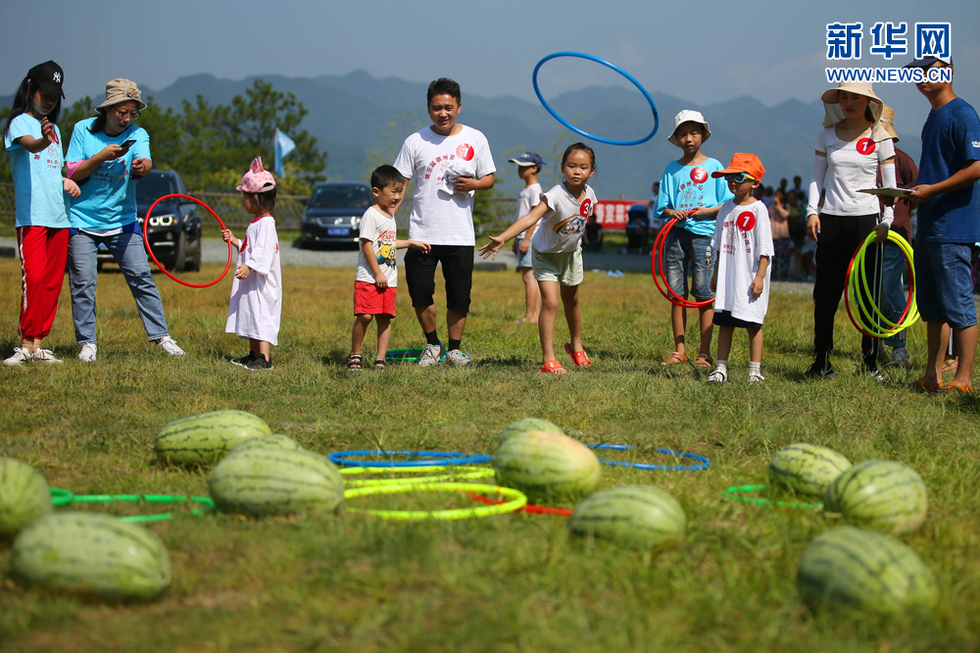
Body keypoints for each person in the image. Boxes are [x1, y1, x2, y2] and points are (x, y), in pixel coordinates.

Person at [65, 78, 185, 362]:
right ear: (107, 109)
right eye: (122, 112)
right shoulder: (83, 130)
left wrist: (142, 166)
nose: (127, 118)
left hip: (123, 220)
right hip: (81, 221)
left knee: (142, 277)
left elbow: (146, 162)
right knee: (83, 283)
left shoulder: (138, 133)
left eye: (133, 113)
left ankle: (162, 337)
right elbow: (72, 173)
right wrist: (102, 156)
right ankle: (87, 343)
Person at [393, 78, 496, 367]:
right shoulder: (415, 141)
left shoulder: (476, 138)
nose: (443, 113)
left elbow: (489, 178)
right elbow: (399, 184)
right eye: (437, 108)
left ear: (459, 107)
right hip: (421, 232)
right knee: (420, 291)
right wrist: (385, 217)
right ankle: (432, 345)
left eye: (448, 107)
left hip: (460, 234)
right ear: (428, 108)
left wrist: (473, 183)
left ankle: (454, 350)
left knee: (459, 296)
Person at [479, 143, 597, 375]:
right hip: (545, 255)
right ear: (563, 167)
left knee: (572, 300)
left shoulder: (591, 195)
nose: (576, 171)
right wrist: (503, 237)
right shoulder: (554, 194)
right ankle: (548, 359)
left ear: (591, 171)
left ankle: (576, 344)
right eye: (571, 166)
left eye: (583, 167)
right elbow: (530, 218)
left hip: (571, 255)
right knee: (551, 303)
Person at [804, 81, 896, 380]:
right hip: (830, 220)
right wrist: (811, 211)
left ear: (868, 101)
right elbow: (818, 178)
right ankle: (822, 361)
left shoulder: (880, 137)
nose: (849, 102)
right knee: (826, 294)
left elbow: (891, 187)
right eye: (844, 97)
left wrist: (888, 220)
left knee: (868, 295)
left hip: (867, 222)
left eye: (856, 97)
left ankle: (870, 363)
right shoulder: (826, 134)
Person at [904, 55, 980, 394]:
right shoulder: (933, 116)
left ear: (947, 72)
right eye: (916, 73)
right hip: (930, 222)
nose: (920, 78)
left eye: (928, 71)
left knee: (959, 304)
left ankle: (963, 379)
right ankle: (932, 376)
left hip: (954, 225)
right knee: (932, 307)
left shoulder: (963, 114)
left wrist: (932, 189)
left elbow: (976, 167)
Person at [3, 61, 80, 366]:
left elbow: (51, 169)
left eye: (54, 95)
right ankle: (24, 343)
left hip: (58, 217)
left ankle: (37, 345)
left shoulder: (57, 130)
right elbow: (33, 147)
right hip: (32, 216)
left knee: (51, 282)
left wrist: (66, 181)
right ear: (29, 89)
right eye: (44, 92)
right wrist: (44, 140)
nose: (49, 100)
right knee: (33, 277)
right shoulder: (19, 124)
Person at [653, 110, 733, 369]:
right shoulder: (671, 169)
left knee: (703, 293)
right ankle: (679, 350)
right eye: (683, 134)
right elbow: (661, 207)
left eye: (694, 132)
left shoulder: (715, 166)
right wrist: (672, 212)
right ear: (676, 138)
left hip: (704, 235)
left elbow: (725, 203)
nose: (689, 138)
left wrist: (704, 211)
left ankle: (705, 352)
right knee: (677, 293)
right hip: (675, 234)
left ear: (703, 136)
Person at [347, 165, 430, 371]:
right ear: (376, 191)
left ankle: (380, 359)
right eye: (393, 191)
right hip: (369, 277)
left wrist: (411, 243)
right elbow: (367, 244)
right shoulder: (371, 215)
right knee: (365, 316)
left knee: (384, 319)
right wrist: (377, 272)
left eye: (400, 192)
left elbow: (388, 243)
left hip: (388, 279)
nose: (397, 197)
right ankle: (355, 354)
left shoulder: (389, 216)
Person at [707, 153, 773, 384]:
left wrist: (760, 276)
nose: (732, 181)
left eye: (738, 176)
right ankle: (720, 368)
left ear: (754, 182)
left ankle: (754, 371)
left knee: (753, 324)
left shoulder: (759, 210)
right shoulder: (726, 208)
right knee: (725, 324)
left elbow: (765, 249)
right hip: (727, 278)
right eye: (729, 177)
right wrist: (715, 273)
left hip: (749, 278)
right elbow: (718, 244)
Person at [221, 157, 282, 371]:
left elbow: (263, 252)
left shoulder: (266, 224)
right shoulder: (256, 224)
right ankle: (254, 354)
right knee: (251, 315)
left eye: (245, 197)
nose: (243, 202)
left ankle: (264, 359)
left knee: (261, 316)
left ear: (257, 200)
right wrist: (235, 240)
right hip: (252, 282)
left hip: (262, 284)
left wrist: (250, 266)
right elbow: (250, 247)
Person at [874, 106, 918, 368]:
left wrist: (898, 213)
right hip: (868, 231)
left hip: (895, 233)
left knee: (889, 286)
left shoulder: (901, 159)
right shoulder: (867, 158)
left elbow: (916, 191)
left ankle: (899, 348)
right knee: (870, 289)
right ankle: (876, 342)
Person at [508, 152, 544, 324]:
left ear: (534, 169)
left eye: (524, 166)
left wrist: (527, 238)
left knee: (529, 277)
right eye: (519, 166)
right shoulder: (528, 189)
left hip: (529, 236)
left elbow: (534, 216)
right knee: (530, 277)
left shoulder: (535, 189)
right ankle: (534, 314)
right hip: (522, 236)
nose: (519, 169)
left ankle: (531, 316)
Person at [769, 188, 792, 280]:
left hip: (783, 236)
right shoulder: (771, 207)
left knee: (783, 257)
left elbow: (785, 215)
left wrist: (778, 205)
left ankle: (784, 275)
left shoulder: (786, 206)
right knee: (773, 258)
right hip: (773, 236)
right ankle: (773, 274)